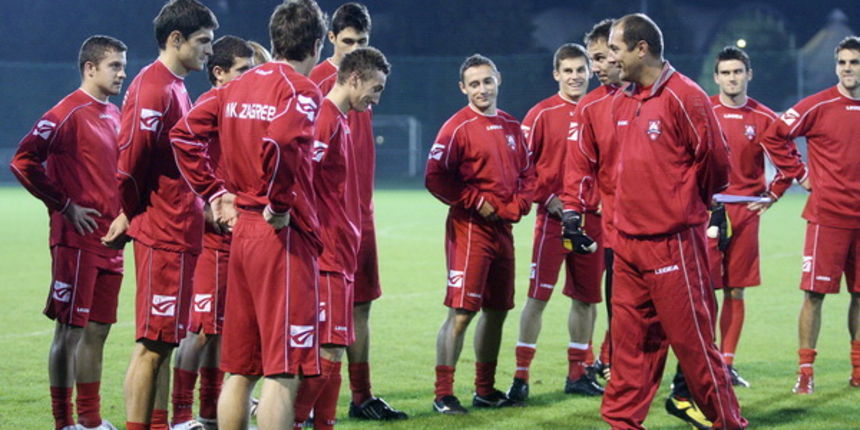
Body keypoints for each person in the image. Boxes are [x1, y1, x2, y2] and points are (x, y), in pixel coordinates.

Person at [169, 1, 328, 429]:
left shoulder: (236, 87)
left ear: (275, 39)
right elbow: (281, 142)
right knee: (282, 369)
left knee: (240, 368)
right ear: (316, 44)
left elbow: (183, 134)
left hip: (241, 234)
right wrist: (278, 203)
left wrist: (215, 192)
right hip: (280, 235)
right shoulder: (301, 89)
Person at [598, 13, 747, 429]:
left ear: (641, 48)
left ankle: (728, 423)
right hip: (626, 245)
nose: (611, 58)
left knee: (694, 346)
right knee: (628, 349)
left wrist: (682, 205)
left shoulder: (686, 95)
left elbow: (717, 165)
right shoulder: (620, 99)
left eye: (616, 48)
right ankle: (622, 423)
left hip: (673, 243)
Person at [100, 1, 217, 429]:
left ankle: (158, 424)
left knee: (165, 342)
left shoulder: (175, 86)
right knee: (151, 344)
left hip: (180, 229)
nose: (208, 50)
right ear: (176, 39)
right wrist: (128, 214)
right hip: (161, 232)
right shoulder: (153, 87)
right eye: (202, 41)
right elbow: (129, 161)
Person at [10, 35, 127, 430]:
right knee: (70, 331)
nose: (122, 73)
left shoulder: (115, 114)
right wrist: (63, 205)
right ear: (90, 68)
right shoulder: (64, 113)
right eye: (114, 65)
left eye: (123, 65)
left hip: (111, 242)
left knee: (98, 331)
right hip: (75, 242)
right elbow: (23, 161)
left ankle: (90, 421)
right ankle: (64, 423)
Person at [308, 3, 408, 419]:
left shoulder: (366, 85)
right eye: (346, 41)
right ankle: (307, 400)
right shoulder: (318, 84)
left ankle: (361, 395)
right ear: (331, 39)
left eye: (361, 42)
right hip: (327, 221)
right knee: (319, 313)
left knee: (361, 304)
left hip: (359, 216)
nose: (353, 48)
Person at [425, 54, 535, 414]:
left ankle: (484, 390)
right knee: (461, 312)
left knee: (498, 310)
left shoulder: (511, 125)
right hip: (470, 230)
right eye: (474, 84)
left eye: (487, 81)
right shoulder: (456, 127)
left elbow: (528, 173)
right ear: (463, 88)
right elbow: (435, 176)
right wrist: (475, 201)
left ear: (498, 80)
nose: (482, 89)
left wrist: (521, 201)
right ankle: (443, 394)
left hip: (503, 231)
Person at [293, 46, 391, 430]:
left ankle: (323, 423)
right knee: (330, 347)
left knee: (334, 344)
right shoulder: (325, 121)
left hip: (342, 253)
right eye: (375, 88)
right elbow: (300, 181)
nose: (376, 98)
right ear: (354, 79)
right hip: (328, 255)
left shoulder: (342, 120)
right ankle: (295, 421)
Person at [757, 35, 860, 395]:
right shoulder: (818, 105)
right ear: (836, 66)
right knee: (814, 295)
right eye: (843, 62)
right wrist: (800, 174)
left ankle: (858, 370)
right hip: (828, 217)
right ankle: (805, 371)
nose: (848, 69)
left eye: (855, 62)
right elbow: (774, 135)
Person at [507, 42, 605, 403]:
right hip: (552, 221)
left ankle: (577, 372)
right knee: (537, 297)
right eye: (568, 71)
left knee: (587, 299)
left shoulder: (603, 110)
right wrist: (548, 200)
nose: (575, 77)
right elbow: (522, 167)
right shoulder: (540, 114)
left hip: (593, 221)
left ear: (589, 72)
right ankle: (520, 377)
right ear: (556, 74)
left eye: (581, 70)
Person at [169, 35, 253, 430]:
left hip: (237, 237)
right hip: (212, 240)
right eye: (243, 70)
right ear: (219, 73)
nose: (251, 77)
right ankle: (182, 415)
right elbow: (181, 154)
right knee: (201, 330)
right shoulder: (209, 106)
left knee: (223, 330)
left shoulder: (241, 110)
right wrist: (205, 201)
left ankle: (210, 412)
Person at [562, 19, 622, 386]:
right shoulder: (590, 107)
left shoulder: (661, 95)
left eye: (600, 58)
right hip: (615, 227)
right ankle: (614, 368)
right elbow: (578, 167)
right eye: (592, 59)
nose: (594, 67)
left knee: (673, 311)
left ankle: (688, 384)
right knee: (617, 304)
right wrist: (572, 212)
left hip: (663, 227)